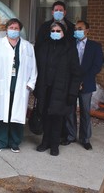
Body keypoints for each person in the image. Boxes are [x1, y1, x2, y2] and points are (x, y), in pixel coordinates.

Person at [0, 18, 37, 154]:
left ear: (20, 30)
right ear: (6, 29)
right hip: (0, 85)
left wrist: (31, 83)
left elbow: (33, 67)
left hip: (20, 87)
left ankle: (14, 142)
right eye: (11, 27)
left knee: (16, 114)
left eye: (16, 28)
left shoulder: (27, 46)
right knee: (0, 113)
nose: (13, 30)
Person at [34, 21, 81, 156]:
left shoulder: (70, 49)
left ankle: (54, 145)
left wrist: (73, 92)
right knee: (45, 116)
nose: (55, 33)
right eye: (53, 31)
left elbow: (76, 73)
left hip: (61, 89)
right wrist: (37, 87)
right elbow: (37, 68)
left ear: (64, 33)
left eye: (58, 31)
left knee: (57, 118)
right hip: (45, 88)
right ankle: (45, 142)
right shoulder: (44, 47)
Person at [61, 20, 104, 150]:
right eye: (76, 29)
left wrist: (82, 81)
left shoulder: (95, 46)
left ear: (87, 30)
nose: (77, 31)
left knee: (85, 111)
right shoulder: (70, 44)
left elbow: (96, 66)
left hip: (86, 83)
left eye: (80, 28)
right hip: (71, 83)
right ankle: (71, 135)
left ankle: (85, 138)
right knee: (70, 110)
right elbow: (66, 64)